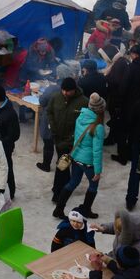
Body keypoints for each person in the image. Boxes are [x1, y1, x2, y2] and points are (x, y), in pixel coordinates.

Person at [53, 92, 105, 220]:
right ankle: (86, 209)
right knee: (93, 186)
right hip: (88, 163)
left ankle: (58, 209)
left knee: (73, 182)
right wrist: (98, 171)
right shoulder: (98, 127)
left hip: (76, 158)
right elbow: (97, 152)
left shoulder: (80, 117)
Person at [46, 76, 88, 200]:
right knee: (63, 165)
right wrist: (53, 128)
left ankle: (57, 192)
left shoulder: (83, 102)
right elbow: (49, 112)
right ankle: (65, 185)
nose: (64, 93)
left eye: (67, 91)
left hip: (72, 141)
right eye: (63, 90)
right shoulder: (56, 97)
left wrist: (73, 138)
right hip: (57, 138)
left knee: (61, 165)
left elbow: (85, 125)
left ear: (74, 90)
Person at [35, 64, 74, 173]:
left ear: (58, 75)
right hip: (66, 123)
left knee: (48, 143)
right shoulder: (74, 89)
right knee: (63, 147)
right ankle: (62, 167)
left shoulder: (53, 88)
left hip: (51, 122)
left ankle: (46, 165)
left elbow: (42, 101)